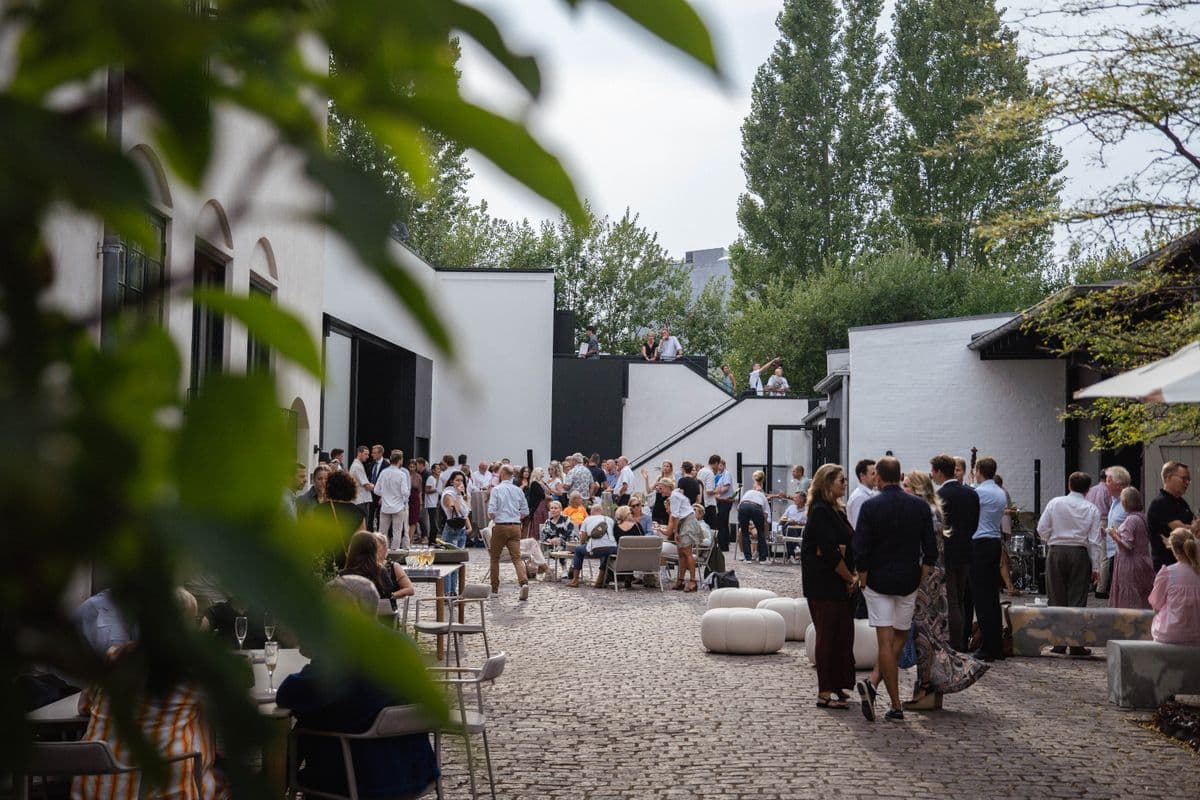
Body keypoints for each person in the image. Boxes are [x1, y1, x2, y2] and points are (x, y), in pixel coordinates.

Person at [277, 576, 439, 799]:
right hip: (415, 771)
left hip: (358, 776)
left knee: (305, 725)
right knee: (316, 716)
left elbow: (288, 695)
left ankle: (269, 787)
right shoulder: (405, 644)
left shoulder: (342, 652)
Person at [71, 589, 228, 800]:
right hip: (163, 790)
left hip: (97, 789)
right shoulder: (190, 668)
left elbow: (83, 706)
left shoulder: (113, 656)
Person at [852, 457, 938, 723]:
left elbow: (861, 547)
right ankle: (879, 688)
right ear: (900, 476)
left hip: (877, 580)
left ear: (878, 476)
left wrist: (863, 578)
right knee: (900, 636)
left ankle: (893, 701)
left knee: (885, 640)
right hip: (908, 580)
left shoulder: (870, 506)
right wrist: (920, 577)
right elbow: (930, 551)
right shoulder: (920, 507)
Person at [901, 471, 988, 712]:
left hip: (925, 580)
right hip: (934, 577)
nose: (903, 489)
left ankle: (929, 686)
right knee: (930, 633)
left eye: (906, 485)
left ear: (917, 489)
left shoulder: (924, 512)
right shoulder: (933, 510)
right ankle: (929, 688)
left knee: (924, 634)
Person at [801, 464, 857, 710]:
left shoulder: (836, 510)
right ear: (827, 483)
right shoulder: (820, 510)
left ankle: (837, 684)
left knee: (841, 635)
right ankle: (824, 692)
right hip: (825, 583)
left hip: (837, 582)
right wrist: (850, 578)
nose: (844, 484)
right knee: (827, 636)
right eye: (840, 480)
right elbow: (829, 551)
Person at [1037, 471, 1104, 656]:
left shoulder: (1055, 503)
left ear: (1069, 485)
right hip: (1079, 552)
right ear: (1088, 489)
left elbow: (1041, 528)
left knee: (1056, 596)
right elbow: (1095, 540)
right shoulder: (1092, 509)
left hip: (1056, 550)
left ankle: (1058, 642)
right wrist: (1096, 566)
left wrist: (1050, 538)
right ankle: (1076, 643)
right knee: (1077, 598)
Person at [930, 453, 979, 653]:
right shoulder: (971, 494)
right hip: (966, 550)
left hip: (947, 553)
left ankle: (955, 644)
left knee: (952, 601)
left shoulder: (940, 496)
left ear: (940, 472)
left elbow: (938, 527)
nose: (932, 475)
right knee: (961, 597)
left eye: (933, 471)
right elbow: (975, 524)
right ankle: (962, 637)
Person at [971, 457, 1006, 662]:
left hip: (980, 542)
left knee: (982, 598)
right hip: (994, 541)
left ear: (978, 471)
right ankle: (996, 645)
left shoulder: (980, 492)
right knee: (992, 597)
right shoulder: (1000, 492)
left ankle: (987, 647)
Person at [1149, 528, 1200, 645]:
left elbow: (1155, 603)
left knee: (1158, 613)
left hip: (1170, 634)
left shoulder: (1167, 573)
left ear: (1176, 549)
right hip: (1197, 635)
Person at [487, 464, 530, 600]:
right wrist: (516, 517)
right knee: (516, 558)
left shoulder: (497, 489)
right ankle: (523, 583)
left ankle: (494, 588)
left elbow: (491, 512)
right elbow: (525, 512)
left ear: (503, 473)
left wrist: (495, 517)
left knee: (495, 558)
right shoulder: (518, 490)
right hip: (516, 526)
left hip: (501, 525)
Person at [1107, 487, 1155, 609]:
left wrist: (1114, 535)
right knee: (1143, 597)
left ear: (1126, 502)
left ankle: (1128, 625)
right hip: (1144, 561)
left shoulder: (1130, 520)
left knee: (1129, 600)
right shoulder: (1142, 517)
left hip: (1130, 564)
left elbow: (1128, 544)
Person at [1147, 460, 1194, 572]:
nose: (1187, 483)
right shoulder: (1160, 503)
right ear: (1168, 477)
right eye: (1184, 478)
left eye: (1188, 480)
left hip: (1185, 565)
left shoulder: (1182, 502)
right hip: (1167, 567)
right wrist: (1194, 527)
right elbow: (1182, 531)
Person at [317, 469, 367, 569]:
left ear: (329, 488)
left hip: (324, 564)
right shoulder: (358, 513)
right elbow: (361, 544)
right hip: (348, 566)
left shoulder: (319, 510)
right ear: (351, 488)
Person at [1096, 466, 1132, 598]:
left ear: (1118, 484)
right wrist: (1105, 531)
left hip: (1123, 554)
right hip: (1114, 552)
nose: (1106, 484)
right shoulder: (1115, 501)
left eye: (1109, 481)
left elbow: (1133, 528)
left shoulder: (1127, 502)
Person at [665, 479, 704, 592]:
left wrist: (676, 532)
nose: (660, 491)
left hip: (687, 523)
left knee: (687, 553)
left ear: (668, 487)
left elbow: (675, 516)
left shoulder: (674, 496)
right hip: (685, 522)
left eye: (661, 488)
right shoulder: (676, 494)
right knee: (681, 553)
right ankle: (680, 580)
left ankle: (693, 581)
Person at [568, 504, 618, 588]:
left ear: (591, 511)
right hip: (612, 548)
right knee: (606, 555)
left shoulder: (587, 519)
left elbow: (583, 537)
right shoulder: (609, 519)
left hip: (595, 548)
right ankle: (599, 580)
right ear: (601, 511)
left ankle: (575, 580)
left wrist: (583, 543)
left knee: (578, 550)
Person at [440, 471, 473, 594]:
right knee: (449, 562)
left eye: (462, 481)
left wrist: (469, 527)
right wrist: (458, 495)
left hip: (461, 531)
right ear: (452, 481)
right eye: (457, 480)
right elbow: (454, 510)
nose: (460, 483)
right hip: (451, 529)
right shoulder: (448, 493)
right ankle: (447, 591)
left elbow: (465, 513)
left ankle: (453, 591)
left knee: (457, 563)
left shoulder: (462, 495)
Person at [375, 450, 410, 548]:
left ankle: (381, 552)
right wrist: (404, 499)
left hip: (385, 506)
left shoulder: (383, 472)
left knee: (382, 532)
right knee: (397, 532)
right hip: (398, 507)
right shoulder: (402, 474)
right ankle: (395, 554)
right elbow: (405, 492)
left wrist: (385, 495)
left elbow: (376, 490)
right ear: (400, 461)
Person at [738, 470, 771, 563]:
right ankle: (763, 559)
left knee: (744, 532)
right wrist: (765, 528)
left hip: (743, 506)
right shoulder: (762, 496)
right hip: (756, 506)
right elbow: (766, 514)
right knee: (760, 532)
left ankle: (747, 558)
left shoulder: (748, 492)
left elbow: (738, 507)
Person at [846, 459, 877, 529]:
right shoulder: (859, 498)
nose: (876, 476)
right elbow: (858, 527)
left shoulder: (869, 494)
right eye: (873, 474)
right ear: (862, 476)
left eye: (876, 473)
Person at [641, 460, 674, 526]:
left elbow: (672, 492)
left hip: (666, 506)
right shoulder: (659, 477)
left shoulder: (672, 479)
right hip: (657, 505)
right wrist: (646, 479)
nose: (665, 467)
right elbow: (649, 490)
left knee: (665, 525)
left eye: (667, 466)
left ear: (670, 468)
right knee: (655, 525)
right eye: (664, 466)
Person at [349, 445, 374, 525]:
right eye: (365, 454)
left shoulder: (357, 465)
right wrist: (378, 487)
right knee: (362, 524)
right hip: (361, 500)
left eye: (368, 454)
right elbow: (366, 485)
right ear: (359, 453)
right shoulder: (357, 466)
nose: (367, 456)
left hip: (359, 499)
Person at [780, 490, 807, 561]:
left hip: (800, 530)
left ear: (802, 499)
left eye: (796, 498)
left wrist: (797, 522)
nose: (793, 499)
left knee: (789, 529)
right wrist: (787, 520)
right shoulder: (791, 507)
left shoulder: (807, 510)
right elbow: (782, 519)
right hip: (787, 528)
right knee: (788, 527)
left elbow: (808, 523)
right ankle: (797, 548)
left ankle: (791, 555)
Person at [714, 459, 735, 551]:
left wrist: (716, 494)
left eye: (719, 465)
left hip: (725, 501)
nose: (718, 467)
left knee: (722, 523)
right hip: (722, 500)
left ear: (722, 465)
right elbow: (719, 487)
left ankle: (724, 545)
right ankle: (723, 543)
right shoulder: (721, 475)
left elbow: (726, 487)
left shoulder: (726, 474)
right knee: (722, 523)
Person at [366, 444, 388, 531]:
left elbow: (387, 483)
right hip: (371, 493)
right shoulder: (370, 465)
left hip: (381, 494)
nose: (372, 455)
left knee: (380, 516)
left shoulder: (386, 466)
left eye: (374, 453)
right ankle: (369, 533)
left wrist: (383, 496)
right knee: (370, 515)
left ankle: (379, 535)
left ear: (380, 454)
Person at [698, 454, 720, 534]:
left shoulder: (701, 470)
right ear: (716, 463)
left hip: (702, 503)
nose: (719, 467)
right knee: (712, 528)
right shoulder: (710, 473)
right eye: (718, 465)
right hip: (709, 504)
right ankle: (712, 545)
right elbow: (709, 491)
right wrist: (717, 490)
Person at [422, 462, 443, 540]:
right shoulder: (431, 478)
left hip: (436, 503)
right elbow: (427, 490)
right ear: (433, 470)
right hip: (431, 503)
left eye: (439, 469)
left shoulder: (439, 479)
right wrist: (436, 490)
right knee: (433, 522)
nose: (439, 470)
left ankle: (433, 539)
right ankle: (431, 539)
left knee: (435, 521)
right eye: (437, 469)